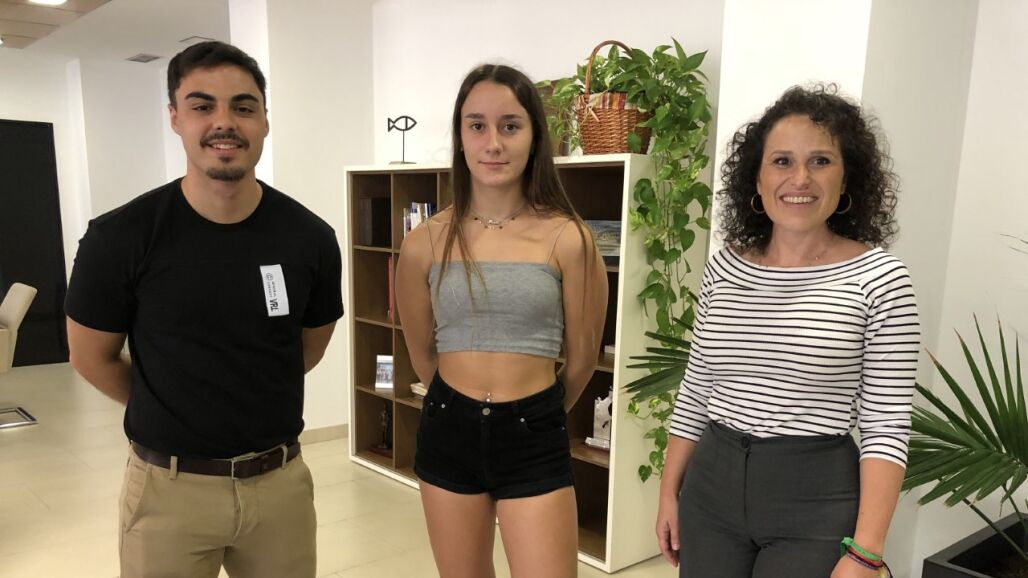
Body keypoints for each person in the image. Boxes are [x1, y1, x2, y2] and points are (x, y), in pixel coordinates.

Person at [64, 41, 342, 578]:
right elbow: (89, 356)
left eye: (243, 106)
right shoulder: (120, 237)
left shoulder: (309, 238)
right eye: (201, 105)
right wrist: (171, 405)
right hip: (167, 493)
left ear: (264, 119)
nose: (224, 122)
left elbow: (305, 350)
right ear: (174, 117)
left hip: (279, 488)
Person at [655, 85, 920, 577]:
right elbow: (696, 388)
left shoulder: (880, 279)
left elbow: (885, 425)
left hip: (815, 500)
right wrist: (669, 492)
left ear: (847, 177)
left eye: (821, 161)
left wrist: (866, 552)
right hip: (710, 489)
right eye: (782, 161)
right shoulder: (725, 268)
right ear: (757, 179)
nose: (800, 178)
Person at [394, 63, 608, 578]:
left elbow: (582, 359)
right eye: (477, 126)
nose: (493, 143)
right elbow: (422, 353)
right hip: (448, 429)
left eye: (510, 126)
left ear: (534, 137)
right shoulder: (425, 242)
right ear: (460, 137)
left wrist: (533, 413)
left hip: (534, 433)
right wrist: (458, 405)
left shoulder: (568, 238)